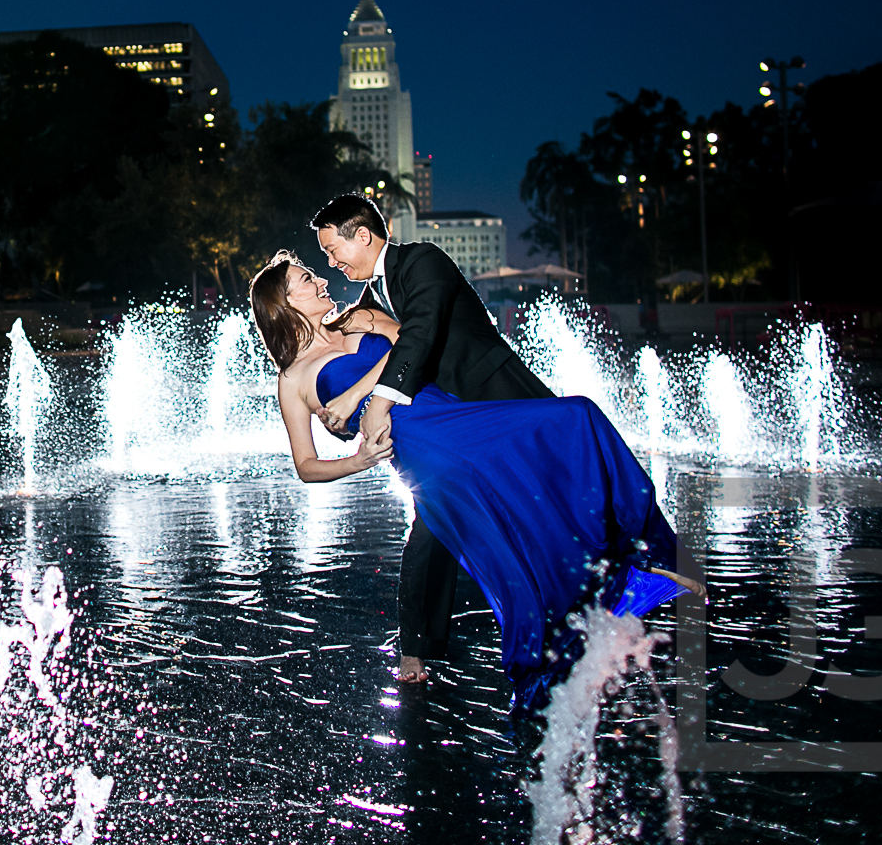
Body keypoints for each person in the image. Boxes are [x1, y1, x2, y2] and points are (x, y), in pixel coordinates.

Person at [249, 250, 700, 711]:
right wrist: (360, 461)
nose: (322, 281)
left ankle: (641, 556)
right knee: (499, 532)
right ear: (284, 302)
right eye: (307, 279)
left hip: (454, 412)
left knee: (578, 418)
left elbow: (415, 347)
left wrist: (353, 394)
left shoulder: (360, 319)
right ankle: (551, 640)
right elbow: (305, 465)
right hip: (425, 446)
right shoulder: (293, 378)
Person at [310, 194, 554, 686]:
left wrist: (378, 402)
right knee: (434, 518)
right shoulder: (370, 298)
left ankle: (638, 564)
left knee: (553, 477)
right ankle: (417, 645)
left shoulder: (423, 259)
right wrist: (331, 402)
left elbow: (419, 333)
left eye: (335, 251)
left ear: (364, 236)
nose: (332, 263)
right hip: (447, 419)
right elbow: (354, 348)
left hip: (494, 394)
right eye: (326, 258)